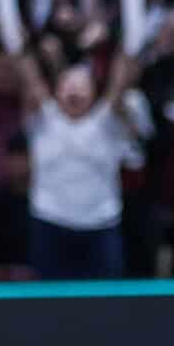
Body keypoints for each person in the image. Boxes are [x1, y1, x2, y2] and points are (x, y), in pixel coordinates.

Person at [14, 33, 136, 280]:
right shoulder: (43, 119)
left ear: (94, 92)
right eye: (68, 85)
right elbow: (29, 76)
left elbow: (121, 81)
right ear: (57, 90)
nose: (74, 91)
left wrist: (129, 41)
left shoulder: (106, 121)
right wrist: (15, 39)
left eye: (82, 86)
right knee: (50, 302)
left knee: (106, 301)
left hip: (101, 224)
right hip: (50, 222)